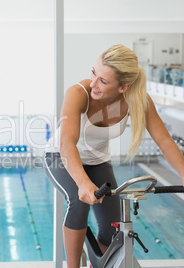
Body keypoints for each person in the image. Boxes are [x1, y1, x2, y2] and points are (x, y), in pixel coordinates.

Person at [43, 44, 184, 268]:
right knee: (78, 202)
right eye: (93, 73)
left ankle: (96, 264)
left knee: (113, 227)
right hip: (60, 157)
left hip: (98, 161)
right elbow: (66, 142)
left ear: (123, 87)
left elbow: (164, 141)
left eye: (103, 81)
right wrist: (82, 183)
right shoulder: (78, 93)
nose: (93, 83)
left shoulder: (138, 100)